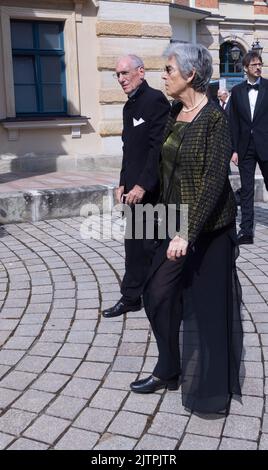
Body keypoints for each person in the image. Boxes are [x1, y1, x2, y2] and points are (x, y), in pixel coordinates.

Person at [130, 43, 243, 415]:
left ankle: (211, 389)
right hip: (174, 221)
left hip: (210, 229)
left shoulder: (215, 118)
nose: (163, 75)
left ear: (190, 75)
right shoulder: (175, 111)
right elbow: (156, 159)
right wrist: (141, 187)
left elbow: (213, 181)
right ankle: (169, 366)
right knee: (156, 294)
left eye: (169, 69)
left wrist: (187, 233)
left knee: (208, 309)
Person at [102, 55, 170, 318]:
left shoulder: (155, 100)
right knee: (134, 245)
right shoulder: (128, 106)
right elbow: (128, 150)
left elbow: (158, 149)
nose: (121, 79)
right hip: (132, 190)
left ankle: (160, 295)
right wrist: (122, 182)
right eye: (117, 74)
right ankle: (132, 297)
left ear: (141, 71)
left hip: (151, 190)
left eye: (125, 73)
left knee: (154, 245)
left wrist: (143, 184)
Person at [229, 51, 268, 245]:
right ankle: (246, 231)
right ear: (245, 68)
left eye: (260, 64)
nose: (258, 67)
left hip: (266, 144)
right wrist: (233, 149)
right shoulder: (236, 92)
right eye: (254, 65)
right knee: (246, 189)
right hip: (245, 147)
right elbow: (233, 123)